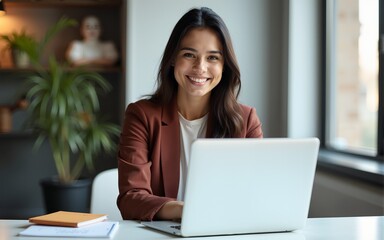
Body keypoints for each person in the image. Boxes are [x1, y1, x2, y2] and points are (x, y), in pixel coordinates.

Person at [117, 7, 263, 221]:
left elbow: (258, 193)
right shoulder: (141, 116)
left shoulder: (246, 120)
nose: (200, 67)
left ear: (224, 66)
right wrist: (187, 211)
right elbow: (131, 198)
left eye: (212, 58)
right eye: (189, 55)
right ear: (173, 59)